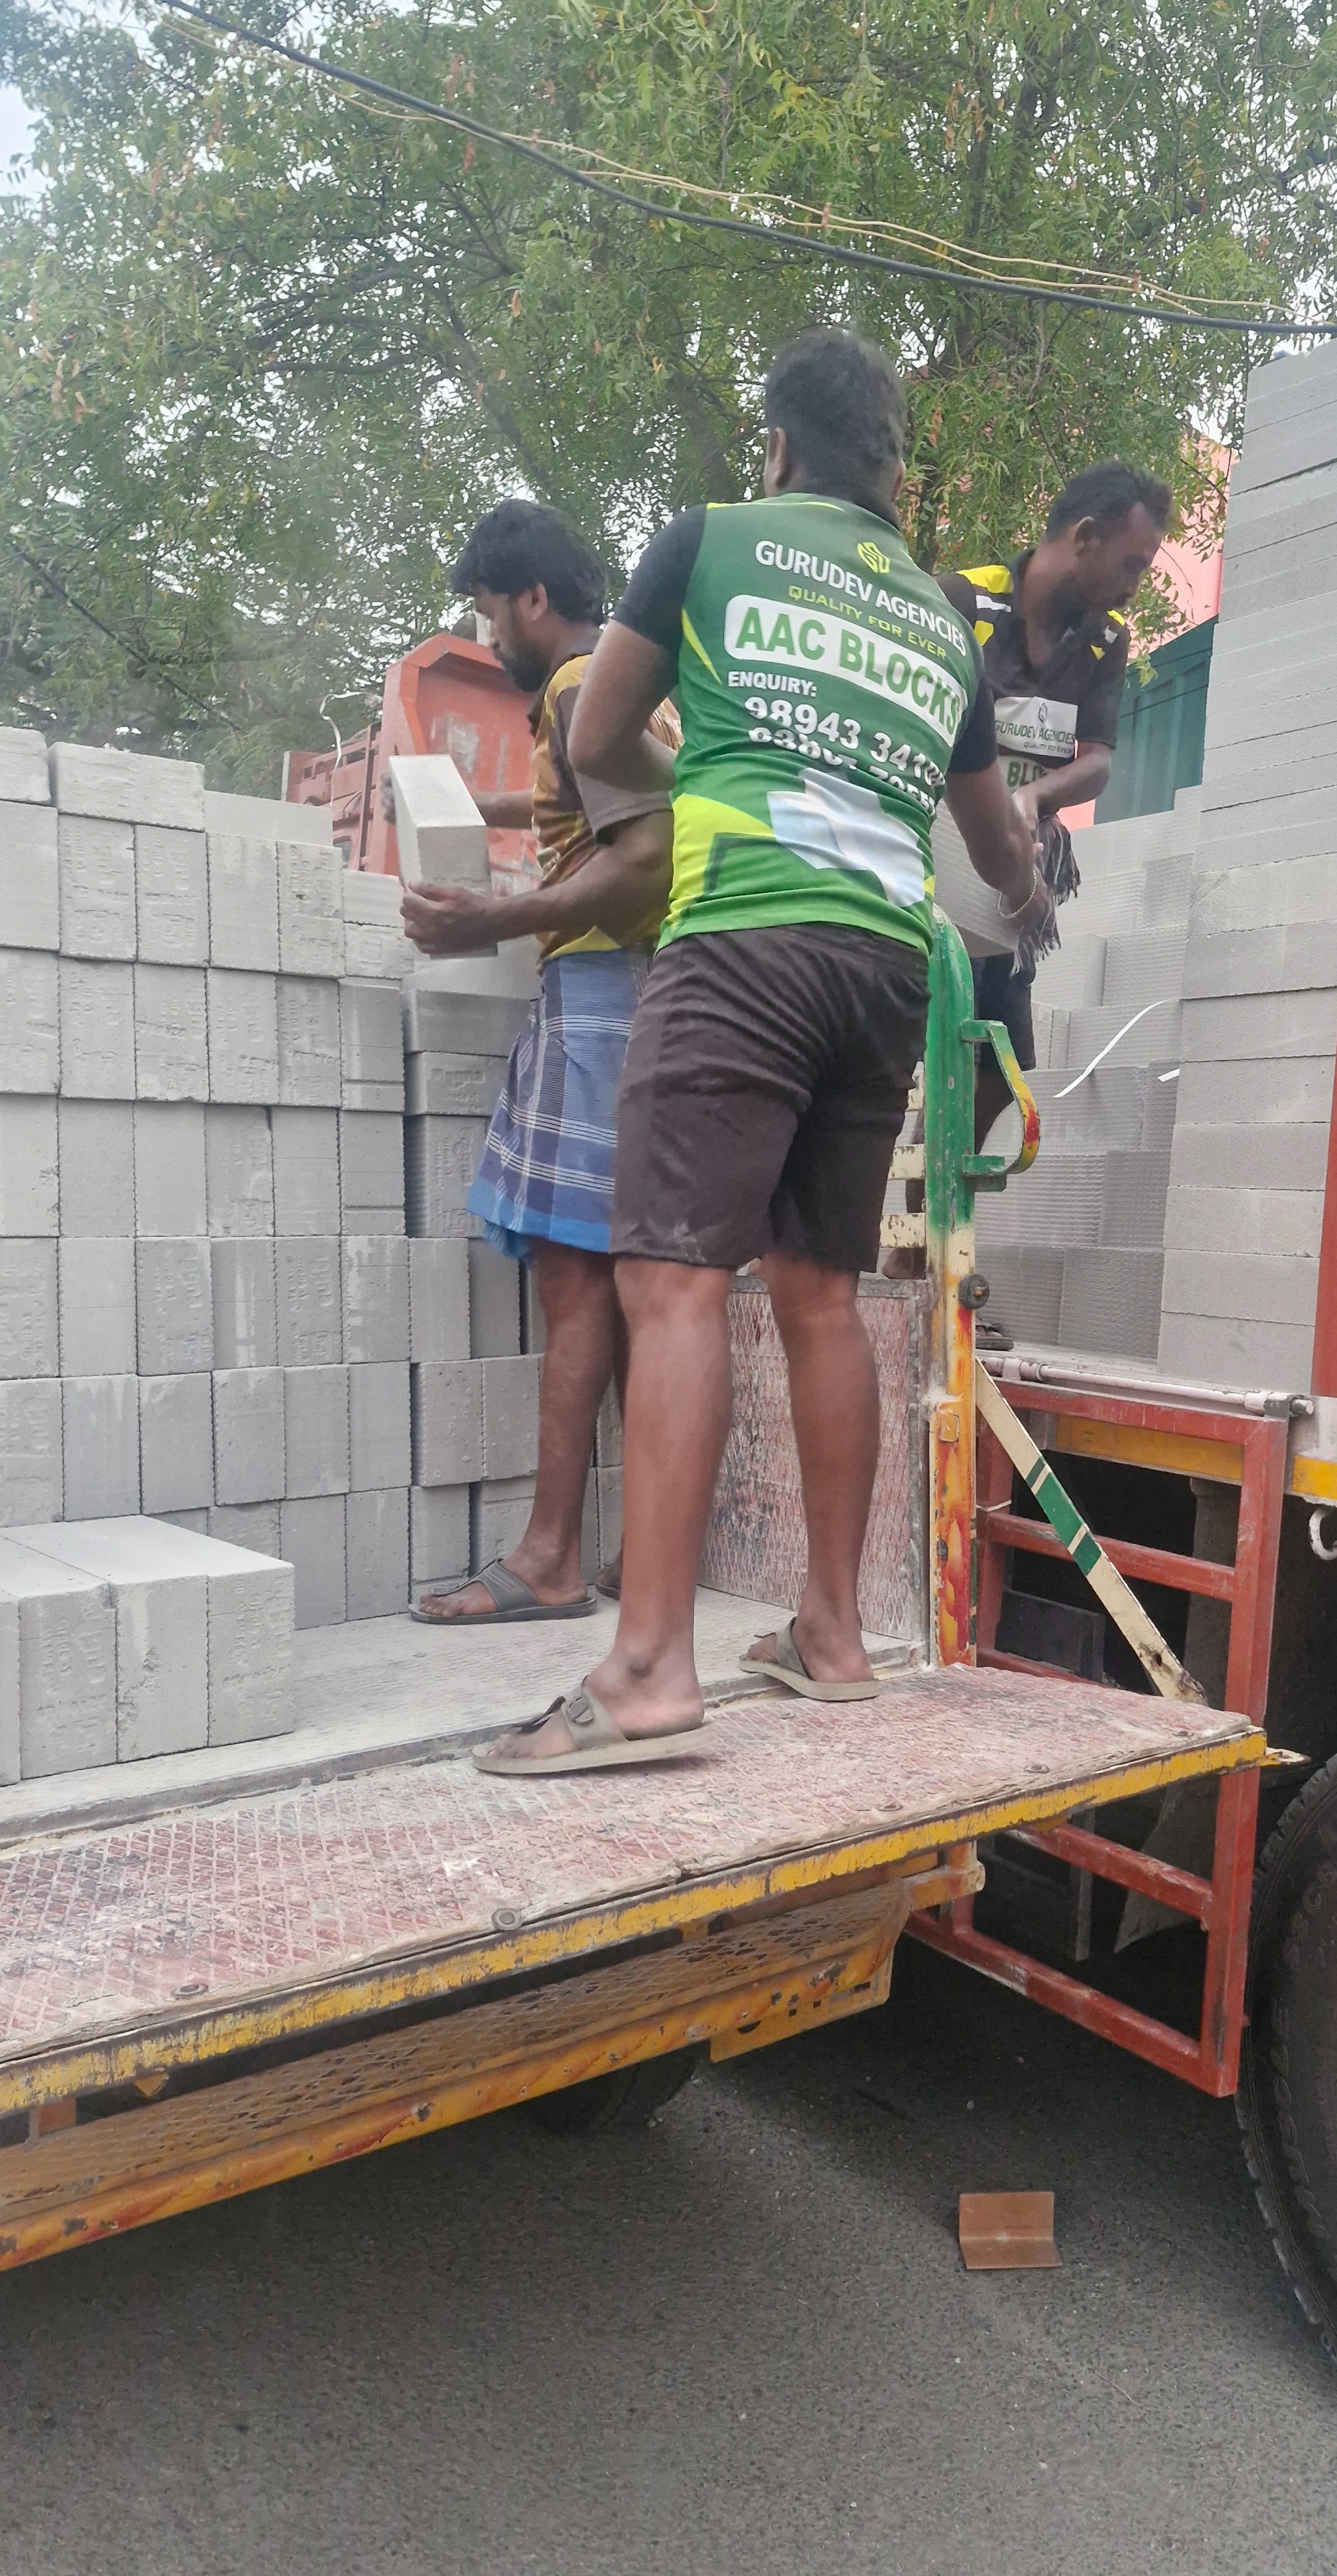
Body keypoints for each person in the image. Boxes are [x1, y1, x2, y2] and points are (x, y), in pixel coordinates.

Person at [474, 328, 1044, 1771]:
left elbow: (600, 739)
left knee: (672, 1278)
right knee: (820, 1290)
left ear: (779, 445)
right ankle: (832, 1635)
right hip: (882, 968)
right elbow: (996, 851)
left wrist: (724, 773)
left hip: (742, 938)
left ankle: (648, 1670)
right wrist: (1033, 893)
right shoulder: (941, 624)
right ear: (894, 471)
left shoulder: (712, 540)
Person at [401, 499, 679, 1624]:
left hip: (602, 998)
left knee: (576, 1283)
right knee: (626, 1286)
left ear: (532, 597)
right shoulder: (626, 688)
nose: (487, 635)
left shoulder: (573, 684)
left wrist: (492, 919)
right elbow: (598, 795)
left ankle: (551, 1557)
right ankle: (638, 1552)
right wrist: (483, 805)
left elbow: (644, 854)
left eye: (488, 610)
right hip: (640, 997)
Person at [938, 461, 1171, 1148]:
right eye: (1131, 565)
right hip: (931, 861)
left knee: (998, 1068)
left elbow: (1096, 762)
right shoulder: (962, 603)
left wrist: (1033, 795)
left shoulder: (1104, 640)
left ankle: (937, 1201)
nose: (1133, 588)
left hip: (1012, 874)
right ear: (1085, 536)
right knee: (903, 1045)